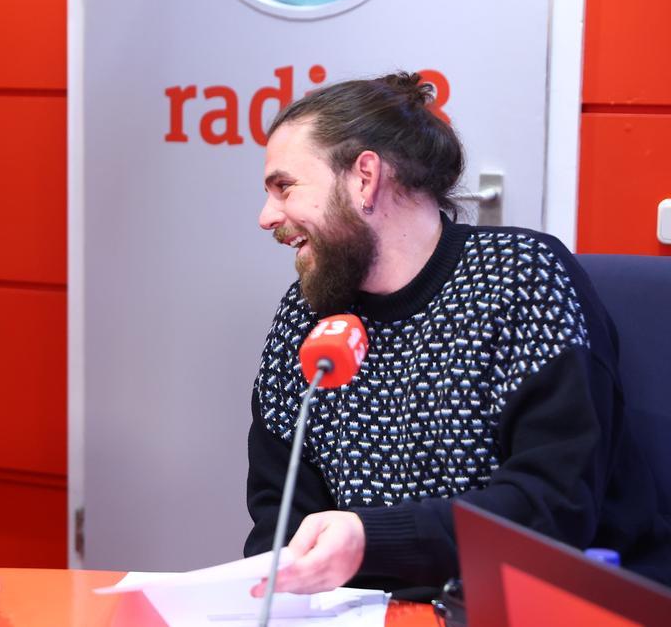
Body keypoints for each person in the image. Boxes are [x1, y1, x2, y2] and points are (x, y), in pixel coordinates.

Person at [245, 72, 670, 595]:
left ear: (364, 177)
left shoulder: (523, 280)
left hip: (552, 602)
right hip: (368, 609)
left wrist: (369, 541)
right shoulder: (306, 314)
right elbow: (279, 517)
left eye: (284, 186)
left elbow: (553, 507)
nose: (267, 217)